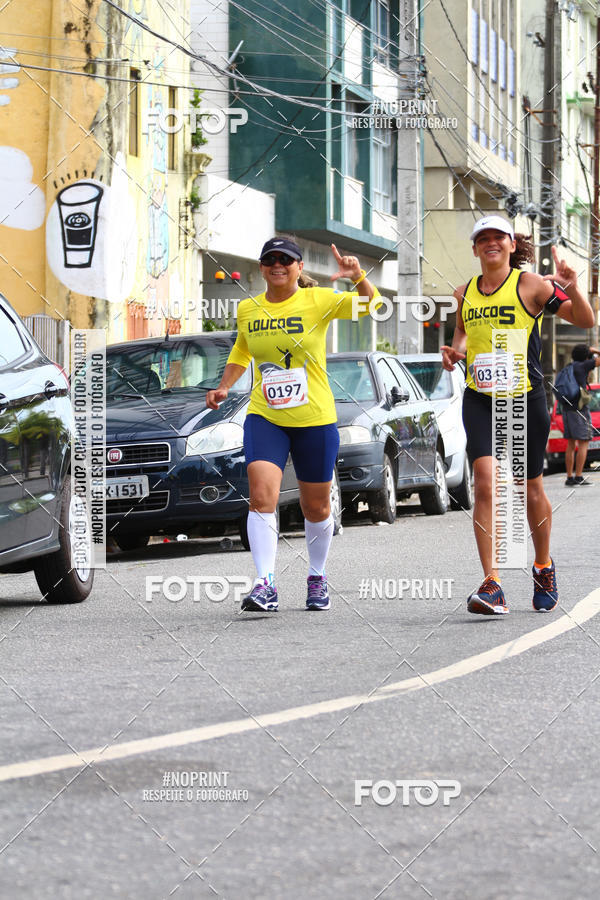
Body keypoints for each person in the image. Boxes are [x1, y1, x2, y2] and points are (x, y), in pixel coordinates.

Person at [206, 237, 379, 612]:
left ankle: (317, 575)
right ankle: (265, 583)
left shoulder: (318, 301)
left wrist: (357, 276)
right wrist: (223, 386)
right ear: (262, 267)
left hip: (314, 418)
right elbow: (242, 349)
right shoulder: (248, 309)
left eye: (286, 259)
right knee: (261, 496)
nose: (278, 265)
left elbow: (372, 306)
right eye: (270, 259)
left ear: (300, 268)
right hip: (265, 415)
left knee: (315, 507)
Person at [441, 215, 595, 615]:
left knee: (530, 491)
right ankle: (493, 583)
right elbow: (461, 332)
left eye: (498, 237)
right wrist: (455, 351)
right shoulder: (464, 293)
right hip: (480, 397)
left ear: (511, 244)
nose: (490, 243)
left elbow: (585, 320)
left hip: (524, 398)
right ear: (475, 248)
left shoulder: (530, 285)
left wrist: (573, 287)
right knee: (486, 482)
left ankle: (543, 565)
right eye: (483, 238)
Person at [563, 343, 600, 485]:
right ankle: (578, 476)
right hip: (579, 409)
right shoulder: (584, 365)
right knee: (584, 442)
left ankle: (569, 477)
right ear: (586, 356)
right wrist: (594, 350)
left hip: (566, 408)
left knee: (570, 444)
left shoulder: (569, 366)